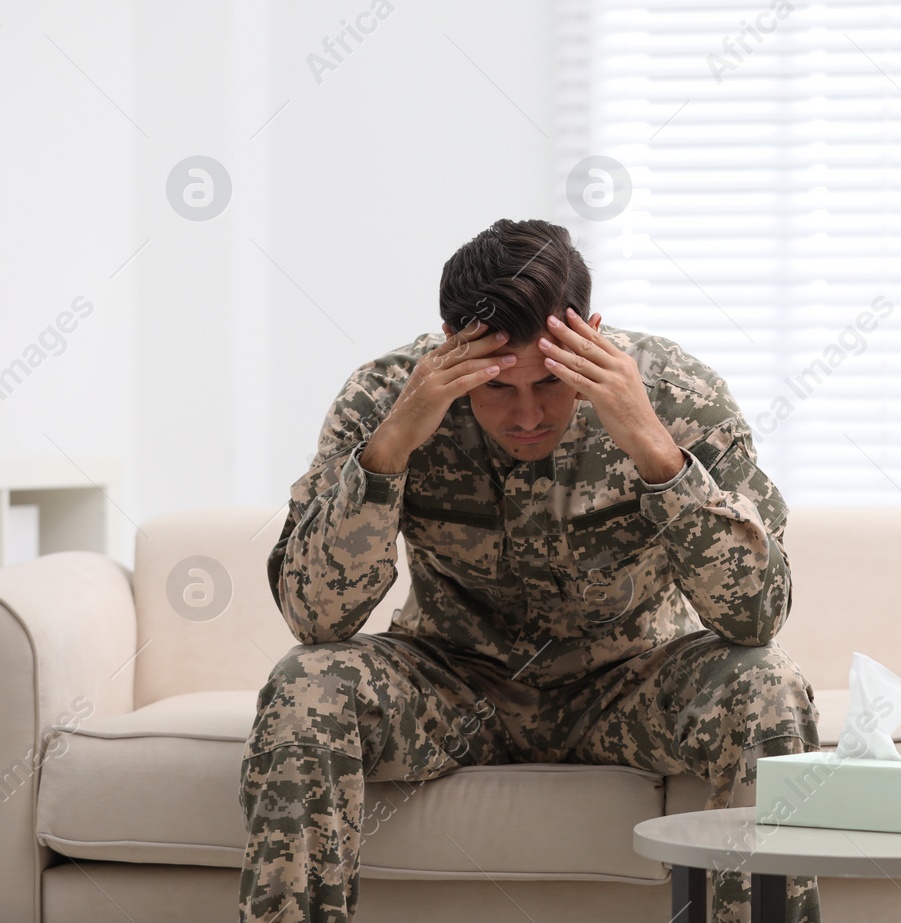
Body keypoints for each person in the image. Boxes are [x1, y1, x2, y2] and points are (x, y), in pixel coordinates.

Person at [239, 219, 820, 923]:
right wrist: (390, 447)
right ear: (451, 346)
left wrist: (655, 451)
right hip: (453, 681)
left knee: (769, 686)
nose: (526, 415)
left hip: (629, 679)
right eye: (497, 388)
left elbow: (757, 615)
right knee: (305, 686)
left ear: (589, 333)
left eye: (549, 383)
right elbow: (315, 619)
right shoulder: (387, 397)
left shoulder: (673, 390)